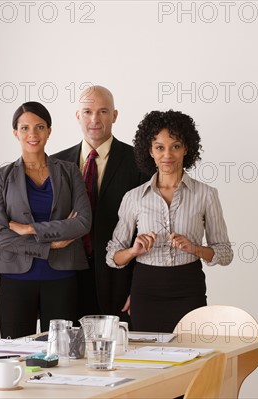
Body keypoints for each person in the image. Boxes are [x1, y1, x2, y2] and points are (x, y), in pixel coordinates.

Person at [106, 110, 233, 333]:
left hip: (188, 288)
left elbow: (224, 253)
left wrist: (194, 248)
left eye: (175, 146)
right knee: (149, 362)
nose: (168, 155)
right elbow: (113, 256)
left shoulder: (206, 195)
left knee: (193, 360)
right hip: (146, 291)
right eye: (159, 147)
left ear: (186, 148)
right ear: (150, 151)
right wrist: (134, 251)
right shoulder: (133, 197)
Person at [0, 101, 91, 339]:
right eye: (24, 128)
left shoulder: (69, 171)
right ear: (16, 133)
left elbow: (83, 222)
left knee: (62, 354)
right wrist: (49, 245)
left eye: (40, 127)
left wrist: (28, 228)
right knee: (14, 354)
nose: (32, 134)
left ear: (49, 131)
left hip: (62, 277)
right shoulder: (0, 178)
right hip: (16, 278)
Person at [52, 86, 148, 325]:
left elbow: (147, 230)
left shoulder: (139, 162)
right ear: (77, 116)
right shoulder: (55, 163)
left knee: (118, 357)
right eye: (87, 111)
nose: (94, 119)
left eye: (103, 111)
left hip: (118, 281)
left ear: (114, 115)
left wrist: (140, 288)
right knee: (67, 355)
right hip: (64, 279)